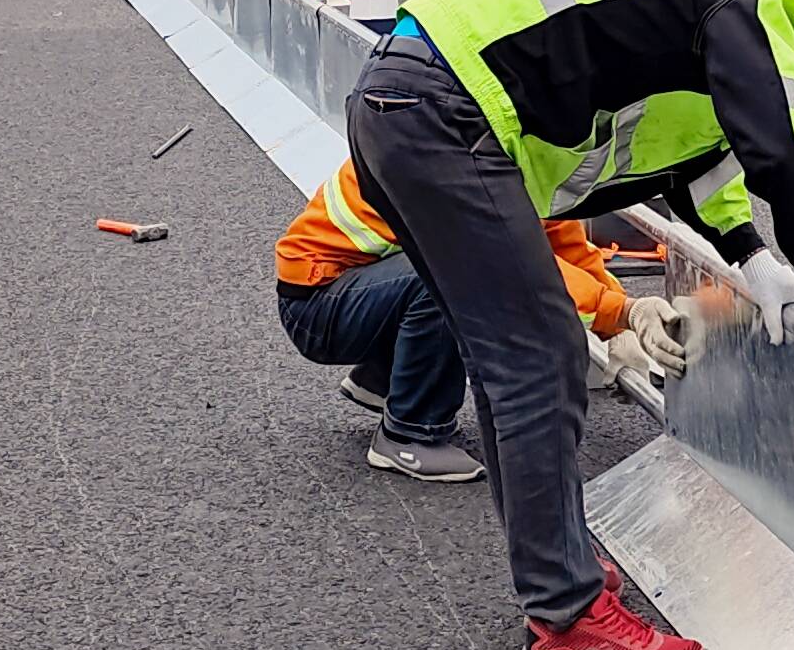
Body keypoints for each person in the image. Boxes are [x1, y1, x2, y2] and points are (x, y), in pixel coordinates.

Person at [347, 0, 794, 650]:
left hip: (407, 99)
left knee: (513, 363)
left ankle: (557, 573)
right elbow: (784, 149)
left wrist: (751, 256)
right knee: (542, 360)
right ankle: (566, 614)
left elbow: (692, 152)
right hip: (445, 113)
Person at [270, 156, 683, 482]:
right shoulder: (451, 163)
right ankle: (411, 431)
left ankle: (381, 380)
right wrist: (624, 312)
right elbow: (516, 263)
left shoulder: (506, 152)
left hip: (352, 290)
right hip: (318, 306)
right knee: (453, 273)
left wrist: (617, 312)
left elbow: (559, 241)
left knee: (443, 268)